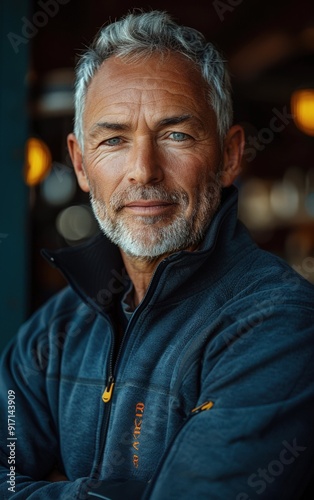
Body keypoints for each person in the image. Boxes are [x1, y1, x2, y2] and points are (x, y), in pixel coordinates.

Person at [1, 9, 314, 500]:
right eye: (114, 140)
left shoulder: (279, 325)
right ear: (82, 164)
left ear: (229, 155)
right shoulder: (57, 330)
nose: (143, 171)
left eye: (176, 135)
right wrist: (100, 494)